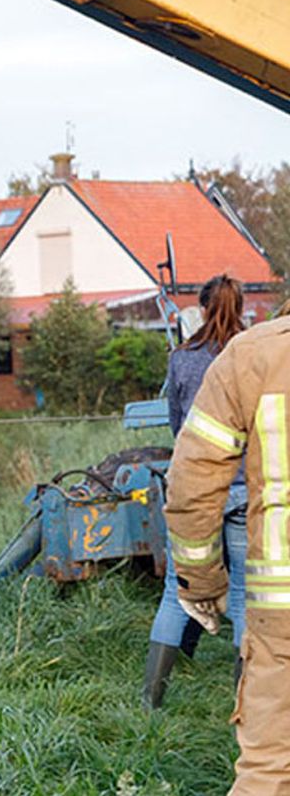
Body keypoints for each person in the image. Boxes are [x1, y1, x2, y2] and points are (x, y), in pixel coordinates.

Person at [165, 311, 290, 792]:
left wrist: (202, 582)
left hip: (282, 615)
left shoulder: (253, 354)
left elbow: (192, 482)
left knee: (272, 767)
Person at [144, 275, 249, 708]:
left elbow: (177, 425)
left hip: (192, 493)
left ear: (202, 309)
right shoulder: (252, 355)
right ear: (241, 308)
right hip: (243, 488)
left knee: (176, 592)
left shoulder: (181, 358)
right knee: (246, 595)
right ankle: (245, 701)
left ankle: (151, 700)